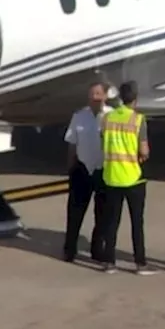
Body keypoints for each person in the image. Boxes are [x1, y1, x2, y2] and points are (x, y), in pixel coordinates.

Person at [97, 80, 154, 275]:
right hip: (133, 178)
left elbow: (102, 141)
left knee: (111, 222)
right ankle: (140, 263)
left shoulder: (107, 118)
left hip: (111, 176)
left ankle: (109, 262)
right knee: (137, 223)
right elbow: (144, 150)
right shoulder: (138, 120)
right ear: (135, 99)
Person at [62, 81, 109, 263]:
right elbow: (72, 142)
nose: (94, 98)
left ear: (105, 96)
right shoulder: (79, 116)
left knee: (102, 213)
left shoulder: (111, 116)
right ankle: (69, 249)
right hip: (81, 168)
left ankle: (97, 249)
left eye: (97, 94)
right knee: (75, 212)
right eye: (91, 94)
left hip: (103, 169)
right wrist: (70, 167)